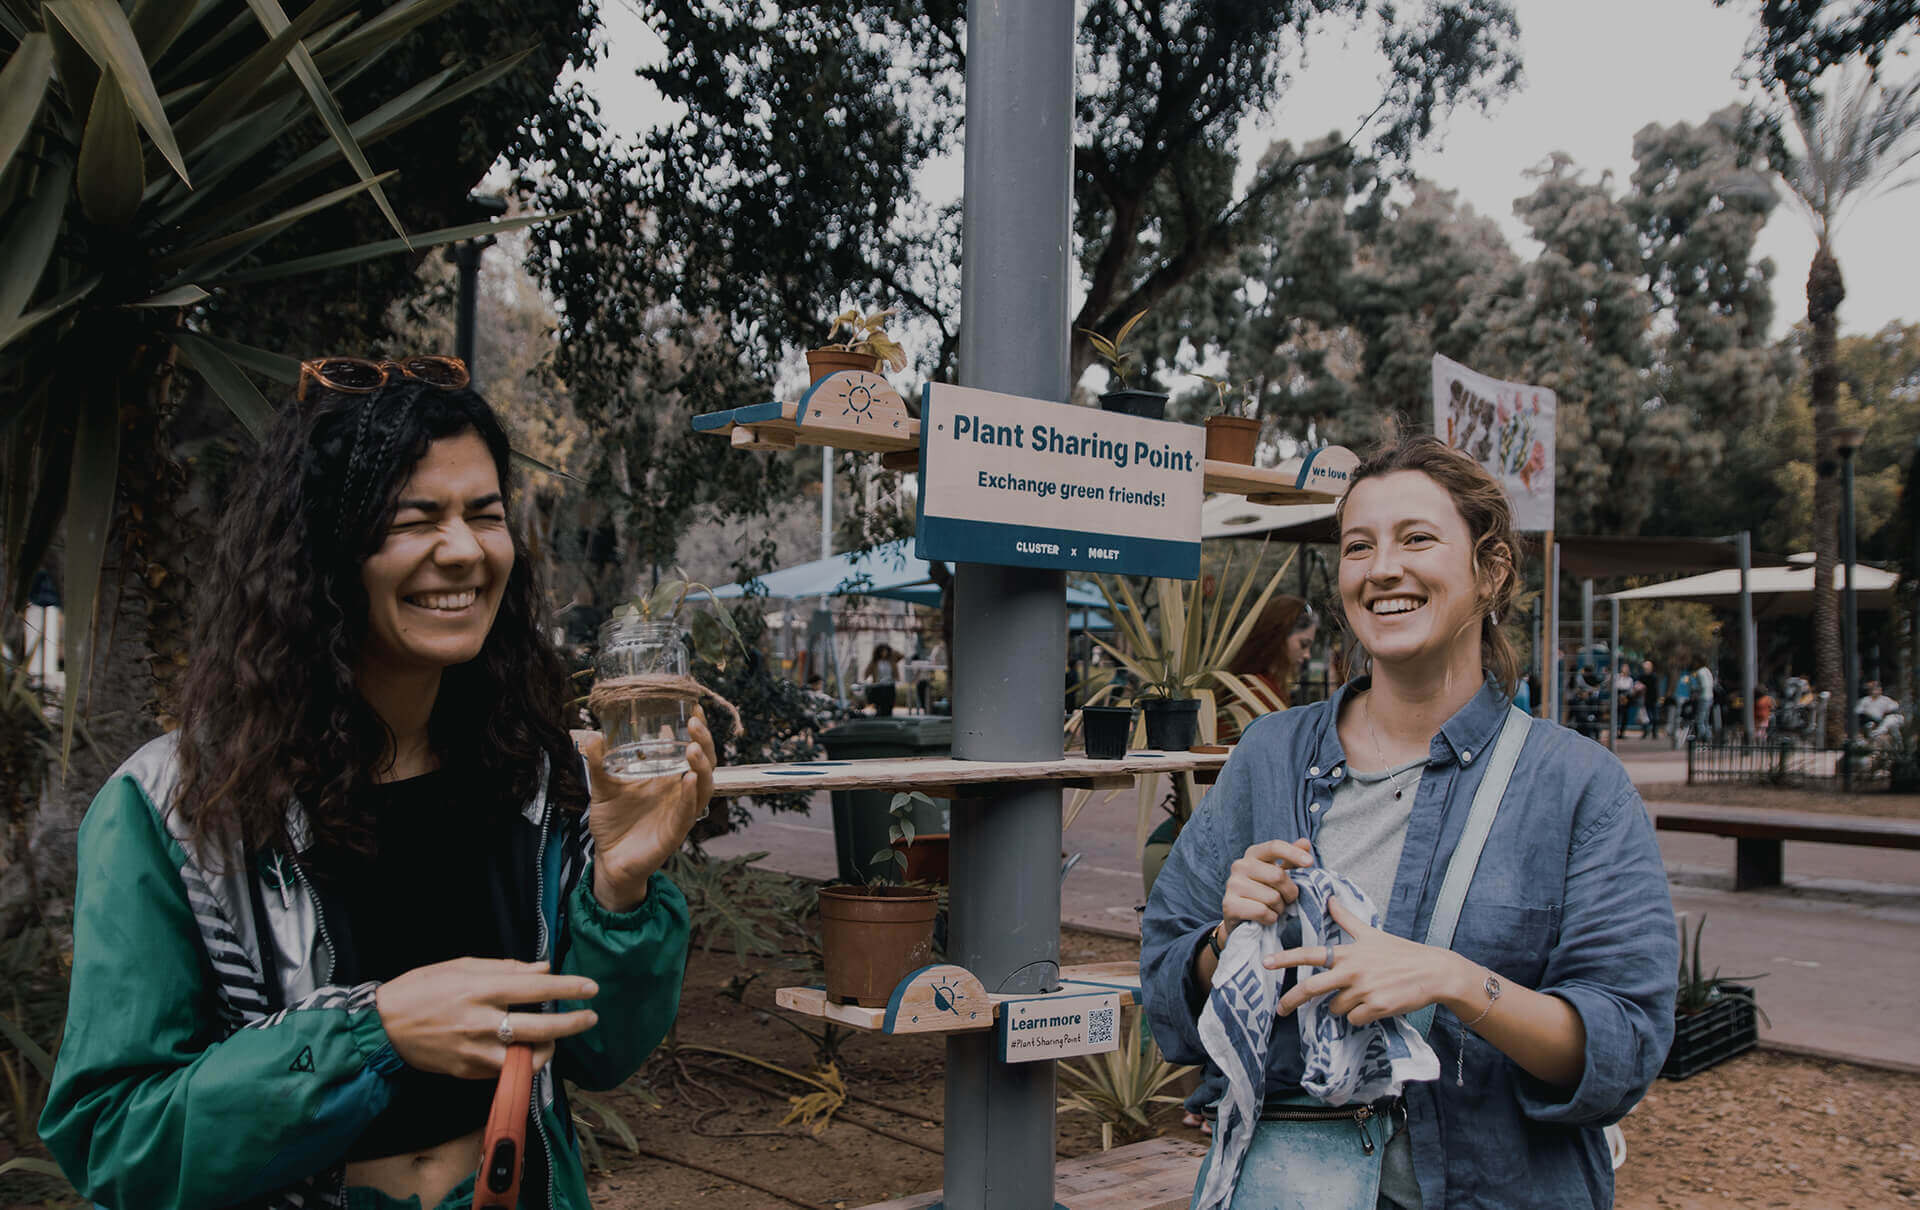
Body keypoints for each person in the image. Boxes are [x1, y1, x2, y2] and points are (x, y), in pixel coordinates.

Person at [40, 357, 713, 1210]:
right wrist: (375, 1033)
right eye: (415, 519)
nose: (463, 551)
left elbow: (597, 1054)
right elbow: (114, 1136)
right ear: (326, 544)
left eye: (485, 515)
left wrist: (620, 887)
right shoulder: (177, 807)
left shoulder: (534, 774)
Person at [1140, 435, 1677, 1209]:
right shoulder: (1269, 756)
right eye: (1359, 547)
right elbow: (1166, 973)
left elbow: (1624, 1044)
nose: (1383, 568)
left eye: (1417, 538)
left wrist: (1456, 982)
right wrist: (1226, 945)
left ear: (1490, 571)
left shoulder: (1577, 787)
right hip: (1291, 1184)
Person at [1218, 596, 1318, 738]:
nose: (1307, 655)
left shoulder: (1256, 687)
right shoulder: (1255, 693)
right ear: (1279, 638)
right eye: (1303, 644)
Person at [864, 642, 899, 716]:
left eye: (886, 651)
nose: (884, 653)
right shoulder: (875, 662)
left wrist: (891, 650)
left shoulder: (891, 661)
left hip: (890, 685)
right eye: (882, 651)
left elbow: (901, 655)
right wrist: (866, 681)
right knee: (880, 706)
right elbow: (866, 673)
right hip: (879, 686)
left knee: (889, 705)